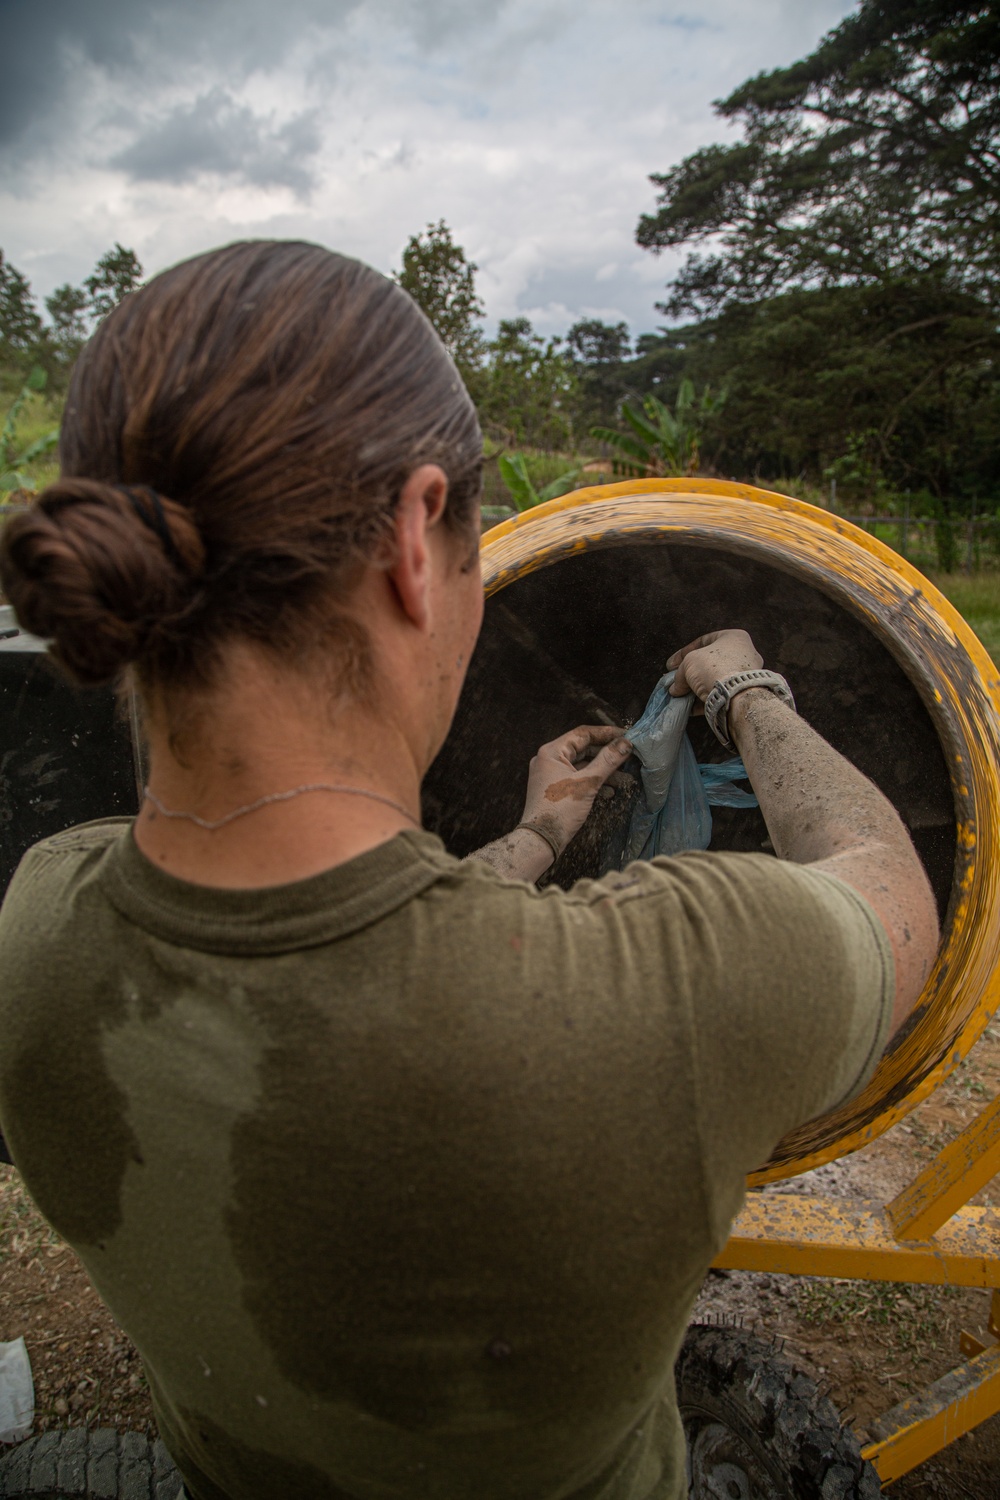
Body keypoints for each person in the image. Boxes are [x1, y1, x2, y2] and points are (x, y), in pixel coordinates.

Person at [0, 241, 937, 1500]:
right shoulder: (677, 988)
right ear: (409, 537)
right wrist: (744, 686)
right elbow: (885, 879)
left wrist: (539, 835)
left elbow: (335, 954)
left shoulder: (42, 925)